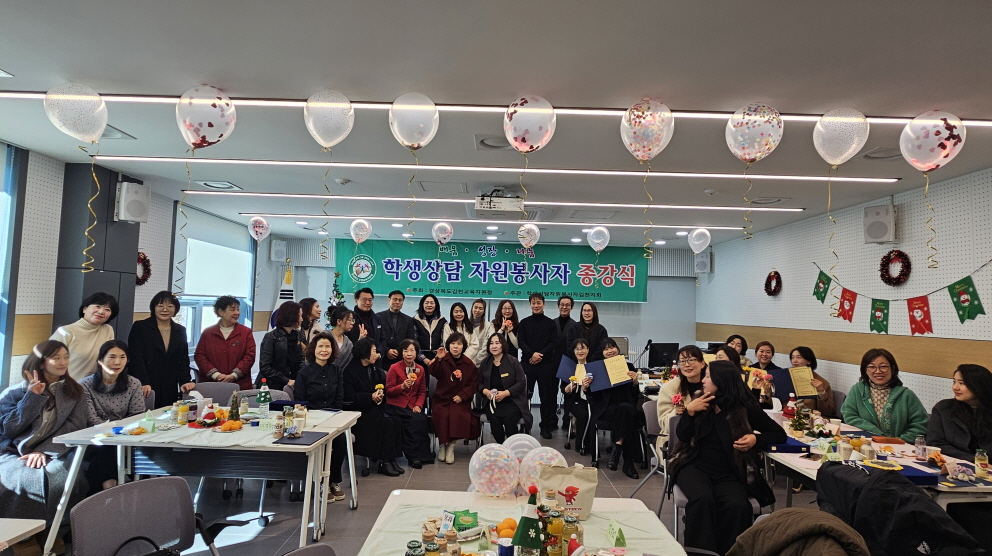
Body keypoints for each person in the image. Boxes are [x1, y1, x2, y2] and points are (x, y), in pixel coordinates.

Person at [670, 360, 787, 555]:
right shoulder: (701, 401)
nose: (703, 380)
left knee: (737, 505)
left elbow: (778, 434)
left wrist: (755, 439)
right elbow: (682, 436)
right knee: (702, 499)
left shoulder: (744, 407)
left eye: (708, 376)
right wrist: (689, 412)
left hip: (729, 469)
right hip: (694, 464)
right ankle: (700, 553)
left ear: (721, 380)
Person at [0, 341, 88, 555]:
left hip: (53, 451)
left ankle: (49, 529)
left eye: (65, 357)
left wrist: (43, 451)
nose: (63, 362)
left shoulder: (75, 391)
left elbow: (74, 426)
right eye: (56, 358)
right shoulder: (15, 392)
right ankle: (23, 537)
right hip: (13, 451)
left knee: (62, 475)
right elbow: (8, 429)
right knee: (21, 476)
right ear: (41, 362)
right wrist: (32, 398)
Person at [80, 340, 145, 492]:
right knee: (108, 449)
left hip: (126, 438)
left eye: (122, 357)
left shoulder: (133, 383)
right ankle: (111, 490)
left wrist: (120, 434)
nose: (117, 362)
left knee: (112, 451)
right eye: (112, 357)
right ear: (100, 360)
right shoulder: (84, 385)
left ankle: (106, 493)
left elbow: (137, 416)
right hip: (94, 439)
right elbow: (92, 420)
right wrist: (116, 433)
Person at [295, 332, 347, 502]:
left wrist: (335, 417)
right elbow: (299, 401)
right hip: (311, 420)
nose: (324, 350)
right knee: (321, 444)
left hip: (332, 417)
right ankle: (321, 482)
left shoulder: (336, 370)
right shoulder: (304, 373)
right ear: (314, 349)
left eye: (328, 346)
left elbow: (339, 397)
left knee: (340, 441)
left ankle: (334, 481)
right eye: (320, 346)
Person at [343, 338, 405, 476]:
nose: (377, 354)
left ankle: (391, 458)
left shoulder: (374, 368)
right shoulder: (350, 371)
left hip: (373, 407)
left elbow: (380, 386)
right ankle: (384, 461)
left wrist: (379, 395)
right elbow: (348, 397)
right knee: (385, 422)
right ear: (365, 352)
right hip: (358, 411)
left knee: (396, 420)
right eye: (374, 351)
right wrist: (369, 397)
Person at [841, 348, 928, 443]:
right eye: (872, 367)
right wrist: (877, 434)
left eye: (883, 366)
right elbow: (849, 415)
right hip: (863, 443)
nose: (878, 371)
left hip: (899, 447)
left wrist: (898, 441)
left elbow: (920, 425)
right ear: (865, 370)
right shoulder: (858, 390)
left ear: (893, 369)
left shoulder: (906, 395)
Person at [128, 290, 194, 407]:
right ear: (153, 308)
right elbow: (136, 357)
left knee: (168, 414)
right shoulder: (140, 327)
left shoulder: (180, 330)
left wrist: (185, 381)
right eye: (160, 306)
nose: (165, 309)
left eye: (170, 306)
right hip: (147, 384)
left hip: (170, 383)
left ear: (176, 309)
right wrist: (143, 382)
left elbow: (183, 358)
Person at [593, 338, 645, 479]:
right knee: (627, 415)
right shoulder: (598, 369)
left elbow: (634, 396)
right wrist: (586, 387)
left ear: (617, 349)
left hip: (626, 407)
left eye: (612, 347)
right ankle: (628, 463)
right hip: (607, 410)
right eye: (606, 349)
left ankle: (617, 448)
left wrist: (635, 382)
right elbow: (594, 397)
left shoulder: (628, 366)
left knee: (625, 410)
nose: (610, 351)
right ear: (602, 353)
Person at [428, 332, 480, 464]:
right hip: (442, 398)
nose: (455, 346)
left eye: (459, 344)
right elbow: (434, 372)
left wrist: (462, 396)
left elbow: (473, 384)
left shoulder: (469, 364)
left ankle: (451, 446)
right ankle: (442, 445)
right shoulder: (443, 358)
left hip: (460, 400)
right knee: (441, 414)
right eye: (452, 343)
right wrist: (438, 360)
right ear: (448, 345)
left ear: (464, 347)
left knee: (458, 415)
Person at [385, 339, 434, 468]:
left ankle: (424, 455)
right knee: (413, 421)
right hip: (396, 405)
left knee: (422, 419)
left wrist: (418, 405)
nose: (409, 354)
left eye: (412, 350)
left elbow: (422, 391)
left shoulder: (420, 369)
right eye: (406, 351)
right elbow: (388, 391)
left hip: (412, 405)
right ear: (401, 353)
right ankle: (413, 457)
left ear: (416, 353)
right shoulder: (394, 368)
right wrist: (401, 386)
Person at [50, 291, 117, 381]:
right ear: (84, 309)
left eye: (107, 309)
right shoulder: (66, 332)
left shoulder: (107, 330)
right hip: (70, 384)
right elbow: (49, 361)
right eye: (97, 306)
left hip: (95, 385)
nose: (101, 312)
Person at [519, 293, 560, 438]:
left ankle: (545, 426)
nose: (536, 305)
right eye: (533, 303)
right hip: (527, 364)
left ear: (544, 304)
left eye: (538, 303)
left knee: (546, 397)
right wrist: (532, 354)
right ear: (530, 304)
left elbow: (554, 343)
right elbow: (521, 342)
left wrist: (539, 355)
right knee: (524, 396)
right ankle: (524, 425)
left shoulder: (550, 323)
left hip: (546, 365)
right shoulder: (524, 322)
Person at [477, 333, 530, 443]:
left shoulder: (513, 361)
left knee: (509, 419)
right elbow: (478, 383)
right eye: (491, 343)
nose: (494, 346)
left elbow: (521, 382)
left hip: (512, 401)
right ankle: (501, 446)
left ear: (503, 345)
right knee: (494, 420)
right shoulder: (485, 363)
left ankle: (511, 446)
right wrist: (486, 392)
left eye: (497, 343)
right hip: (492, 403)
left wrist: (506, 393)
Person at [194, 296, 256, 390]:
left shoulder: (246, 332)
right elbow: (200, 356)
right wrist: (216, 375)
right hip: (212, 384)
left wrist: (234, 375)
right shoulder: (208, 333)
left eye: (238, 309)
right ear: (221, 312)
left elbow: (250, 356)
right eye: (232, 310)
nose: (237, 313)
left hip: (240, 384)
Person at [657, 345, 708, 448]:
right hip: (676, 438)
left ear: (702, 363)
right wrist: (675, 412)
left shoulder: (709, 384)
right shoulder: (670, 388)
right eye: (683, 361)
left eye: (691, 360)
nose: (687, 365)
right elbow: (663, 423)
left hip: (705, 435)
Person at [257, 301, 305, 392]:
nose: (302, 319)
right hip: (272, 385)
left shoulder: (297, 335)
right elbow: (265, 367)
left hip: (292, 383)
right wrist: (286, 380)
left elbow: (299, 360)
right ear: (292, 316)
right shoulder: (271, 337)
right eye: (300, 316)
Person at [561, 338, 596, 455]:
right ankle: (581, 444)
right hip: (575, 400)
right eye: (577, 349)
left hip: (592, 399)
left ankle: (592, 444)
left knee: (595, 412)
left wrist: (587, 387)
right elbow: (563, 389)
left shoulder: (594, 367)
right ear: (574, 351)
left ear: (588, 350)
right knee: (583, 414)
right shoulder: (569, 367)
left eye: (583, 348)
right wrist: (568, 389)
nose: (580, 351)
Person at [789, 346, 837, 417]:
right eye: (792, 357)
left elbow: (829, 411)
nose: (794, 361)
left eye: (799, 357)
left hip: (808, 418)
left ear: (809, 361)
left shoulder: (821, 382)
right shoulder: (787, 377)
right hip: (787, 414)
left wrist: (821, 392)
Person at [553, 295, 577, 431]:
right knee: (551, 392)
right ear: (558, 306)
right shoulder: (552, 323)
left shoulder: (575, 325)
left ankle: (567, 421)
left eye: (567, 305)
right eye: (562, 304)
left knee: (568, 393)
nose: (564, 307)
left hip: (569, 362)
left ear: (571, 307)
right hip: (552, 362)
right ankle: (552, 420)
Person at [377, 290, 418, 370]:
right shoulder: (378, 317)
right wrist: (387, 350)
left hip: (401, 358)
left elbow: (410, 339)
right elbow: (376, 337)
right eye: (395, 299)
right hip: (382, 357)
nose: (397, 302)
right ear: (389, 300)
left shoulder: (408, 320)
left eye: (400, 300)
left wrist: (398, 351)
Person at [413, 294, 447, 368]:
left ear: (436, 305)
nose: (429, 305)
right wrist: (423, 358)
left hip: (438, 358)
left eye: (432, 303)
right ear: (422, 304)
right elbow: (414, 341)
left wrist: (436, 358)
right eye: (426, 303)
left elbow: (443, 341)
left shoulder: (442, 321)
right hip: (419, 359)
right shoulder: (415, 320)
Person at [750, 341, 788, 406]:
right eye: (761, 351)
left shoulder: (778, 372)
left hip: (770, 405)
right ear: (756, 353)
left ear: (772, 355)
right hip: (751, 403)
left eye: (768, 352)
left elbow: (780, 394)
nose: (764, 354)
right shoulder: (749, 369)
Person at [469, 299, 496, 367]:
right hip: (465, 362)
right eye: (475, 307)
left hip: (482, 363)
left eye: (480, 308)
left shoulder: (489, 326)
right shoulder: (464, 325)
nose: (477, 310)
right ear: (472, 308)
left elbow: (486, 346)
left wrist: (476, 360)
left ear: (484, 311)